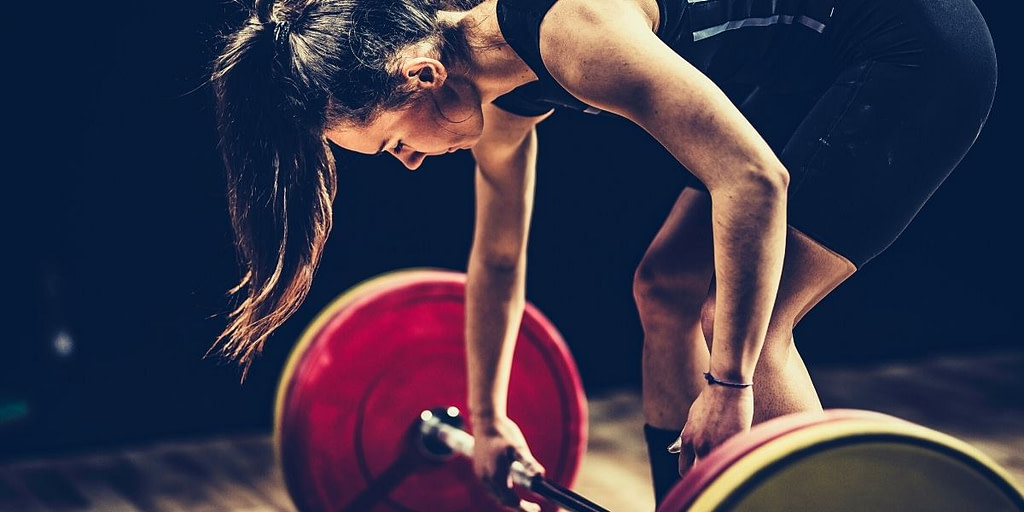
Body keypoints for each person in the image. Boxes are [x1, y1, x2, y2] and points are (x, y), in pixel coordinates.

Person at [210, 0, 996, 507]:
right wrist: (489, 420)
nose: (410, 163)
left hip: (910, 47)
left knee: (744, 325)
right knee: (665, 290)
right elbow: (498, 258)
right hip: (806, 72)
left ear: (422, 75)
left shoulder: (574, 34)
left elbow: (754, 181)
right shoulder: (498, 92)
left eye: (393, 144)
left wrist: (729, 385)